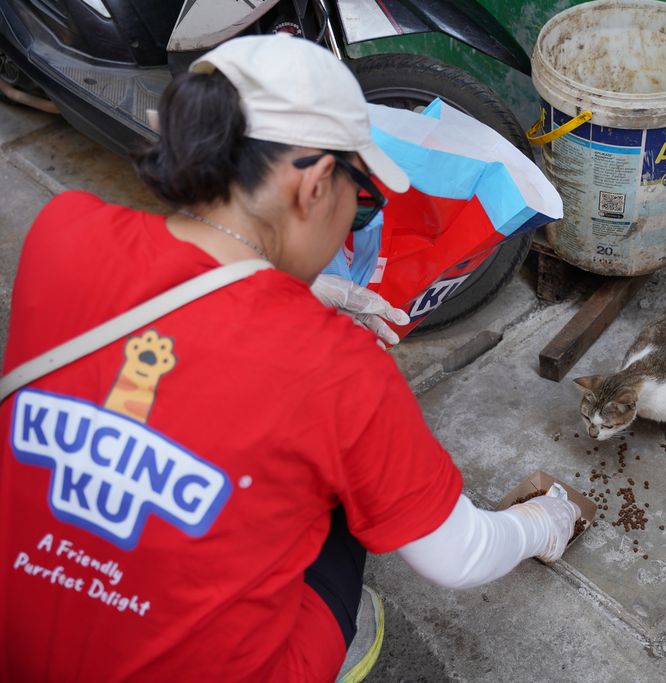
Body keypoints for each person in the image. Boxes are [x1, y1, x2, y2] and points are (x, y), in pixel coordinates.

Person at [0, 34, 578, 682]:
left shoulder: (61, 230)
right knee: (344, 486)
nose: (356, 224)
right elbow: (459, 555)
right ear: (314, 184)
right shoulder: (337, 367)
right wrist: (546, 520)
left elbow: (193, 329)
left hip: (18, 650)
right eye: (362, 204)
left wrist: (292, 288)